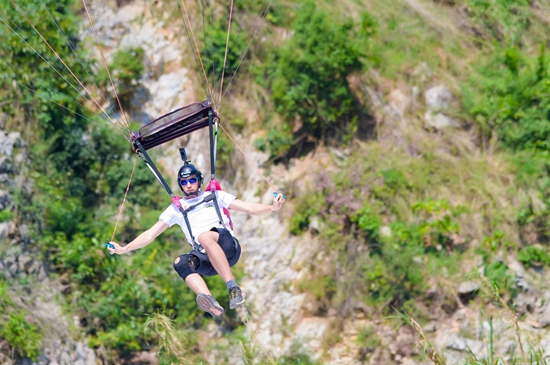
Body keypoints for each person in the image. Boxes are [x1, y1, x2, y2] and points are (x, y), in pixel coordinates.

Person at [107, 159, 285, 317]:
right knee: (180, 262)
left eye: (192, 180)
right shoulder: (176, 208)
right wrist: (124, 248)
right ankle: (210, 302)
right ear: (180, 185)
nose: (189, 185)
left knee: (205, 237)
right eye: (184, 182)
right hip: (207, 258)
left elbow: (249, 208)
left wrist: (272, 208)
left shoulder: (214, 196)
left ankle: (233, 288)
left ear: (199, 180)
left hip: (228, 247)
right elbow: (150, 234)